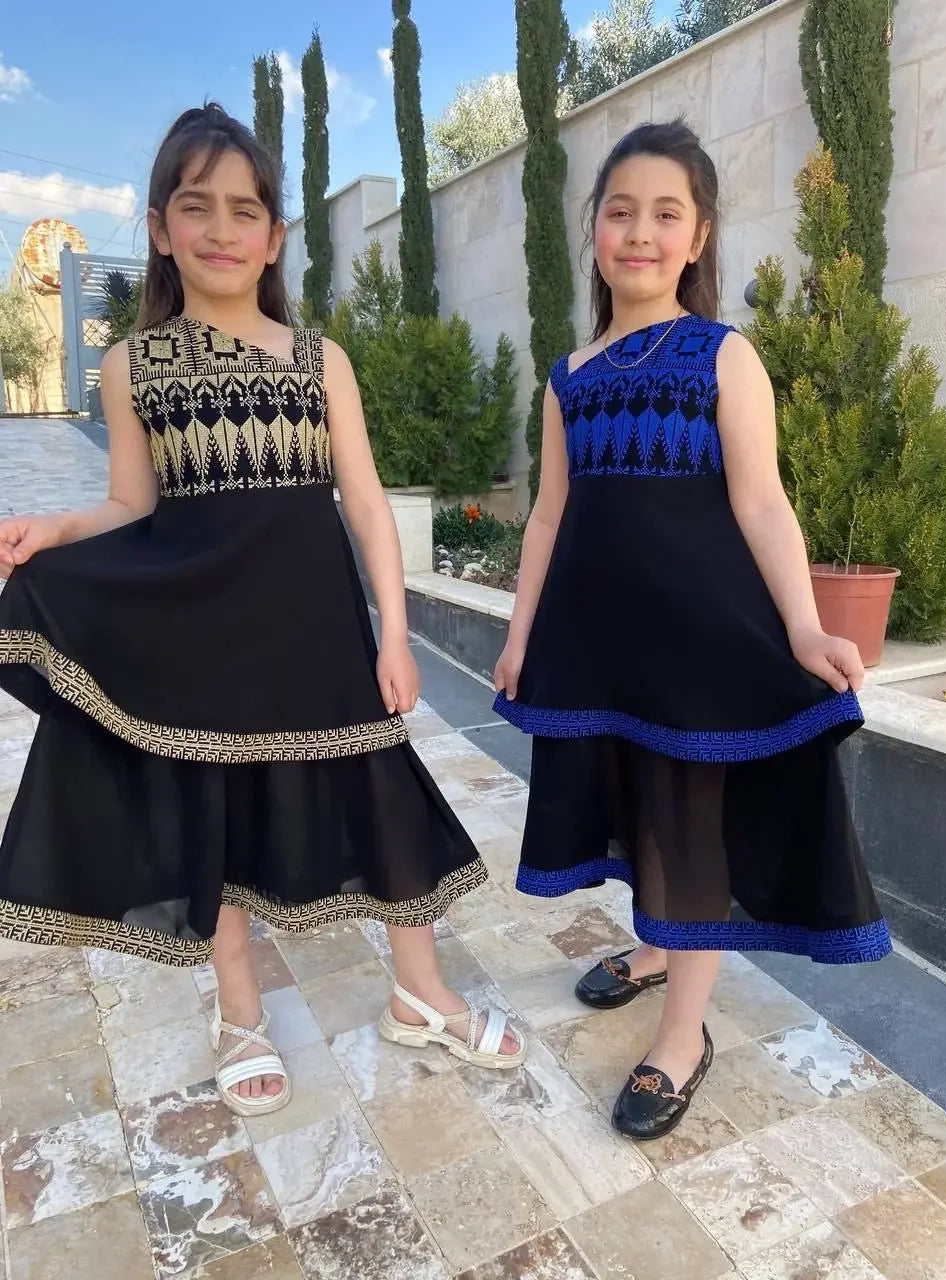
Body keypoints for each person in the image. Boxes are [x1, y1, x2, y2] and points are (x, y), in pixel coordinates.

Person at [0, 103, 524, 1117]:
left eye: (246, 210)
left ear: (276, 236)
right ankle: (239, 1004)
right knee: (211, 800)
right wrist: (53, 534)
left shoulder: (318, 359)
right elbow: (131, 506)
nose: (223, 229)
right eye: (196, 207)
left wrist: (394, 628)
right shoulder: (130, 367)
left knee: (378, 787)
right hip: (198, 628)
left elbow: (367, 503)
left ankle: (420, 988)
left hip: (314, 621)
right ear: (160, 228)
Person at [493, 119, 890, 1142]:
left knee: (691, 828)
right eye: (620, 211)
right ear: (595, 232)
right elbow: (547, 514)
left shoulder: (724, 356)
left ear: (700, 235)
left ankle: (684, 1032)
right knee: (634, 802)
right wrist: (521, 634)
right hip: (599, 651)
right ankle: (660, 945)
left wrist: (804, 626)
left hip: (701, 653)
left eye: (666, 213)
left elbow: (762, 503)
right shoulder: (568, 375)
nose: (639, 231)